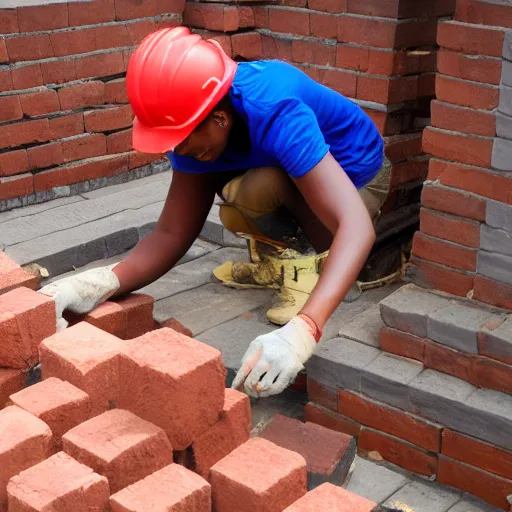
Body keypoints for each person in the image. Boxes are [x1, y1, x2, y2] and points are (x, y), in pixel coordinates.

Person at [40, 26, 391, 399]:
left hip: (356, 178)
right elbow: (172, 233)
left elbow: (356, 227)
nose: (178, 152)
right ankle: (283, 258)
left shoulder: (275, 108)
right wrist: (96, 284)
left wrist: (304, 330)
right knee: (241, 195)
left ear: (220, 119)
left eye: (182, 140)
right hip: (293, 170)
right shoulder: (195, 125)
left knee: (257, 190)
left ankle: (309, 263)